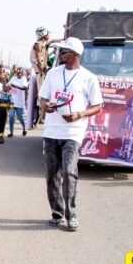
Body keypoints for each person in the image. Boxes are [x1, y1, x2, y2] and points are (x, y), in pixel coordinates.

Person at [38, 37, 103, 231]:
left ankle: (71, 214)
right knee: (52, 174)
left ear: (75, 54)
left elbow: (98, 106)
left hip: (73, 132)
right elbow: (42, 98)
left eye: (63, 51)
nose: (60, 54)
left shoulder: (88, 77)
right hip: (52, 130)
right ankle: (57, 213)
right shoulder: (53, 74)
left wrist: (79, 114)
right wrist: (46, 105)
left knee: (68, 171)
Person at [8, 68, 28, 137]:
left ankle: (24, 128)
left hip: (20, 102)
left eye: (21, 72)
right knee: (11, 116)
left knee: (20, 117)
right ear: (16, 72)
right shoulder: (13, 78)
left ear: (22, 73)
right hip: (12, 102)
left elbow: (25, 88)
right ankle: (11, 132)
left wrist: (15, 86)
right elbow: (9, 86)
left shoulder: (24, 79)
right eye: (18, 72)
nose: (19, 73)